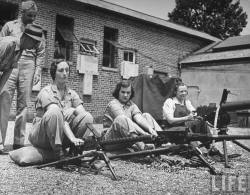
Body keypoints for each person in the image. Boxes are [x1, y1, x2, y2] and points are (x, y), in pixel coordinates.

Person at [0, 0, 45, 150]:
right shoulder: (9, 26)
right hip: (11, 63)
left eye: (35, 16)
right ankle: (0, 141)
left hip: (28, 64)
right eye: (30, 15)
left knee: (24, 104)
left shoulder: (37, 31)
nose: (32, 18)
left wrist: (38, 69)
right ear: (22, 13)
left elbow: (41, 51)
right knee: (4, 97)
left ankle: (18, 142)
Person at [28, 59, 93, 159]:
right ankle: (59, 154)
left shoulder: (72, 93)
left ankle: (75, 150)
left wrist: (94, 136)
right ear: (54, 73)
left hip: (61, 134)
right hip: (42, 136)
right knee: (55, 111)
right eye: (61, 70)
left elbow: (83, 114)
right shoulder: (46, 91)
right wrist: (71, 136)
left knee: (87, 117)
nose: (65, 73)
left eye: (67, 70)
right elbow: (57, 115)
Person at [102, 79, 162, 151]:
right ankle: (142, 146)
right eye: (123, 92)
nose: (125, 95)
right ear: (118, 92)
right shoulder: (113, 104)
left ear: (131, 93)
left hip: (126, 139)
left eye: (128, 93)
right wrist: (144, 134)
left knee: (146, 115)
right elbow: (125, 121)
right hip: (110, 141)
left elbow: (139, 118)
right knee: (121, 118)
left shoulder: (131, 104)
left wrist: (151, 130)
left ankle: (161, 139)